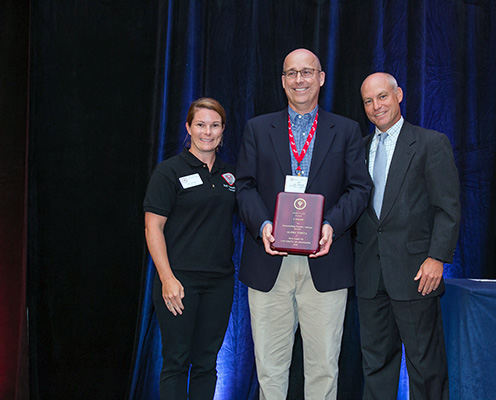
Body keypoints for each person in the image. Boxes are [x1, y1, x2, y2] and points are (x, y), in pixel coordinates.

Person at [236, 48, 371, 399]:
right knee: (269, 367)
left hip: (326, 261)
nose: (300, 80)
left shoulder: (346, 130)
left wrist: (331, 226)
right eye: (292, 73)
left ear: (321, 78)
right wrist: (264, 225)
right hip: (269, 263)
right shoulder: (257, 128)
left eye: (307, 72)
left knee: (324, 368)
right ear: (282, 81)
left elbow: (359, 188)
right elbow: (245, 187)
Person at [354, 73, 461, 400]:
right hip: (370, 275)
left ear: (399, 94)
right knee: (375, 365)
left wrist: (437, 257)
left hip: (417, 273)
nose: (376, 106)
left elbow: (448, 207)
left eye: (382, 97)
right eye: (369, 101)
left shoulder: (431, 143)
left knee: (425, 366)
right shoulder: (358, 149)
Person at [143, 98, 236, 399]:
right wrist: (167, 278)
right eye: (200, 124)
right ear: (188, 128)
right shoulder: (168, 171)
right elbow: (152, 227)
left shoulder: (229, 175)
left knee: (207, 364)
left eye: (214, 125)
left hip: (219, 283)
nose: (207, 132)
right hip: (179, 282)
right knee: (176, 362)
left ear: (223, 130)